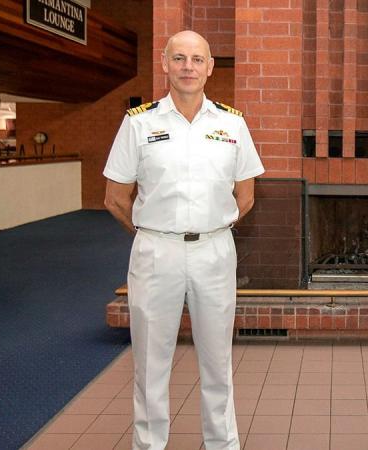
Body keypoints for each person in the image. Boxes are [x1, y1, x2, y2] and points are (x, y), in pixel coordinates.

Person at [103, 30, 264, 450]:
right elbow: (115, 198)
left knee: (218, 362)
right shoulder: (139, 123)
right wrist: (154, 235)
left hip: (214, 251)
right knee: (150, 366)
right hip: (156, 253)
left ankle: (222, 445)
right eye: (179, 59)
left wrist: (208, 227)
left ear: (210, 67)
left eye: (197, 59)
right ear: (165, 63)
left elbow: (245, 197)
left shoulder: (232, 123)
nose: (188, 67)